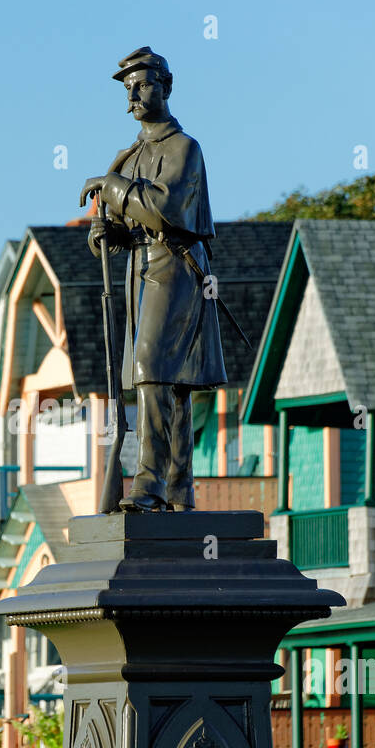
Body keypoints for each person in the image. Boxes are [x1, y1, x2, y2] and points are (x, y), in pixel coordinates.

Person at [80, 46, 225, 513]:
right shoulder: (127, 157)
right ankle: (178, 489)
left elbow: (167, 210)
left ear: (165, 85)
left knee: (151, 365)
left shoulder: (186, 149)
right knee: (168, 379)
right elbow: (127, 225)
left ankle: (148, 482)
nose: (135, 96)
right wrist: (105, 233)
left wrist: (111, 188)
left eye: (143, 85)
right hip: (139, 269)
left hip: (177, 265)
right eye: (128, 89)